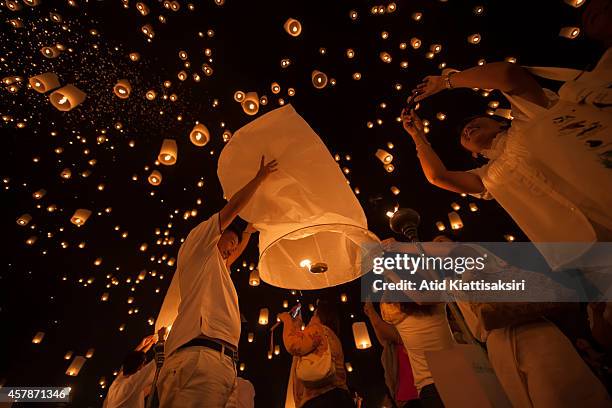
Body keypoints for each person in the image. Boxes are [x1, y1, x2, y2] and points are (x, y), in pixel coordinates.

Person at [402, 60, 612, 273]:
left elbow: (509, 75)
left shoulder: (528, 120)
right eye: (463, 134)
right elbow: (438, 177)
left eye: (474, 121)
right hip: (590, 254)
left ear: (500, 122)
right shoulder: (490, 176)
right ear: (473, 153)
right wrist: (418, 137)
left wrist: (445, 82)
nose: (467, 128)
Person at [157, 156, 278, 408]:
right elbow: (231, 209)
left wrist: (246, 233)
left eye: (233, 248)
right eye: (228, 245)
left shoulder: (218, 269)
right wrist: (260, 178)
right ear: (217, 236)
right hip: (197, 360)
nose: (229, 252)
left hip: (223, 363)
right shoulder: (199, 246)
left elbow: (237, 250)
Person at [278, 300, 353, 408]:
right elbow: (305, 343)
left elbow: (293, 345)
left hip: (322, 399)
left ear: (321, 316)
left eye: (314, 314)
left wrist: (287, 320)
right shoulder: (332, 337)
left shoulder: (319, 329)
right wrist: (297, 326)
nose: (311, 318)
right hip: (340, 397)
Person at [363, 301, 419, 407]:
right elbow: (383, 340)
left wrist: (371, 310)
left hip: (413, 394)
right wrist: (370, 314)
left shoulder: (406, 331)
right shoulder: (395, 337)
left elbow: (379, 325)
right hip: (406, 396)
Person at [103, 335, 157, 408]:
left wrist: (142, 346)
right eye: (143, 364)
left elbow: (129, 361)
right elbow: (157, 362)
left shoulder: (118, 382)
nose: (144, 366)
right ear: (138, 367)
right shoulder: (132, 383)